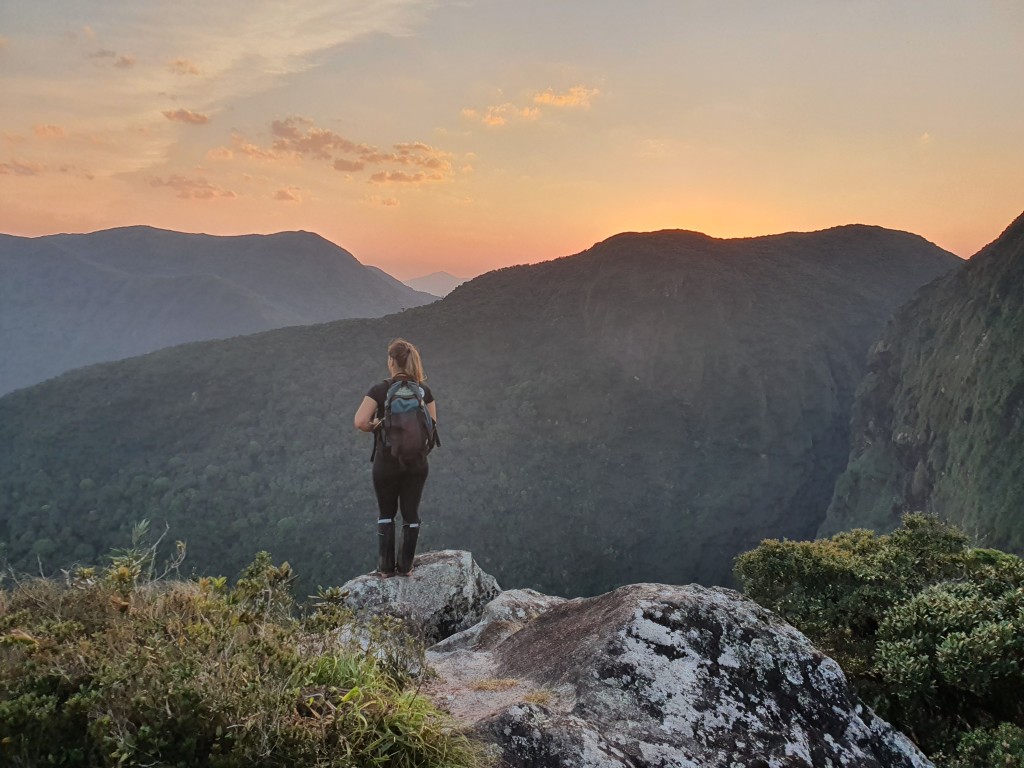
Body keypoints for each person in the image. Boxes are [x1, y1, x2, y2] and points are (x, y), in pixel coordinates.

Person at [353, 338, 437, 577]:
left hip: (386, 461)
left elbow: (360, 421)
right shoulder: (423, 391)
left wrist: (377, 425)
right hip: (417, 463)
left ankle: (386, 568)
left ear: (391, 361)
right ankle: (407, 567)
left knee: (386, 513)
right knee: (411, 513)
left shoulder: (379, 390)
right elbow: (433, 427)